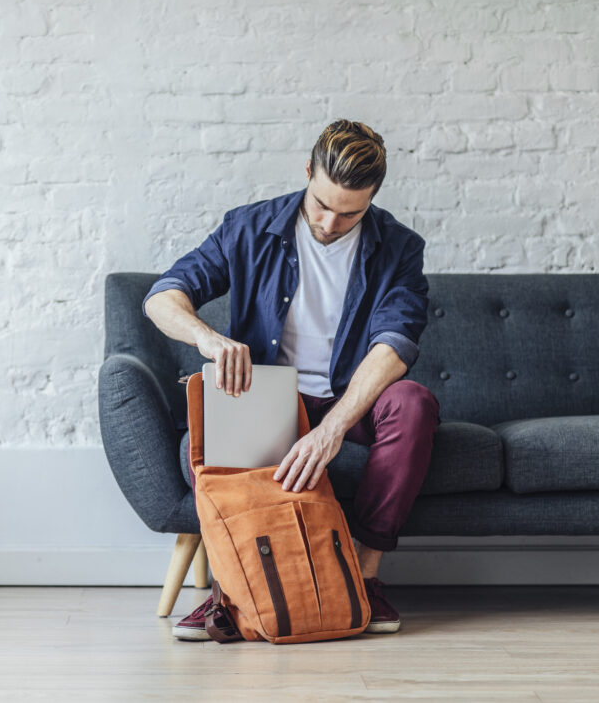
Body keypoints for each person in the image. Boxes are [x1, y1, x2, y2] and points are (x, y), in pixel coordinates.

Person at [143, 119, 440, 640]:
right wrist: (208, 340)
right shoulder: (249, 227)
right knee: (206, 438)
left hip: (353, 398)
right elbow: (162, 297)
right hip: (271, 395)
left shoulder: (399, 247)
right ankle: (232, 593)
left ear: (373, 197)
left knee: (414, 403)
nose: (329, 222)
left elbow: (394, 346)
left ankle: (364, 581)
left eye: (350, 212)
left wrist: (331, 430)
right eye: (322, 203)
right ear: (308, 171)